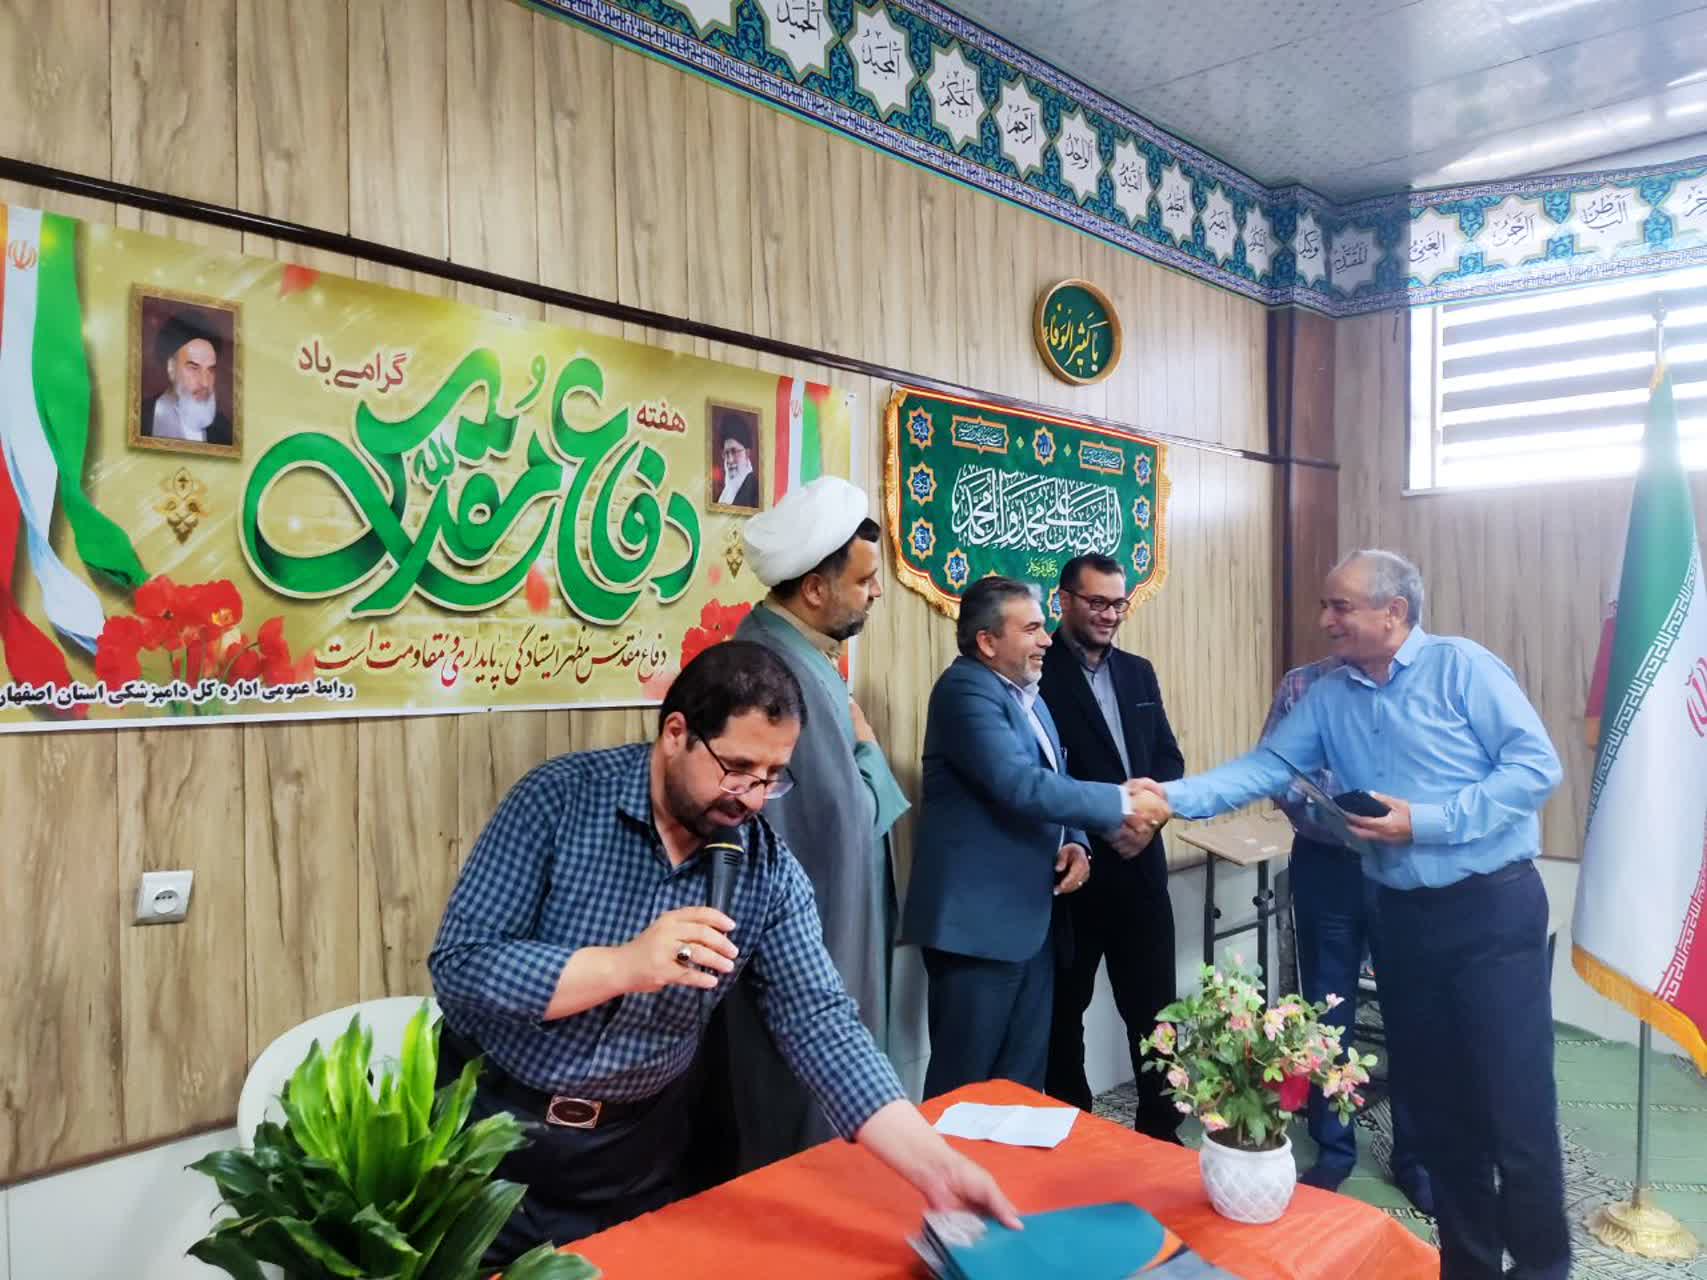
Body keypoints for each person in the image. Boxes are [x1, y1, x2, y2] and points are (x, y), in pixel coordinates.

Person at [429, 641, 1017, 1267]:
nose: (752, 798)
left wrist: (937, 1167)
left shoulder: (765, 870)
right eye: (736, 768)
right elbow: (461, 965)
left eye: (772, 776)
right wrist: (623, 966)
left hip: (630, 1163)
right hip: (491, 1144)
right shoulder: (559, 801)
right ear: (676, 734)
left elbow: (822, 1025)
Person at [1132, 550, 1568, 1280]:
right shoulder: (1329, 695)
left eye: (1340, 606)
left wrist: (1423, 822)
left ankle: (1542, 1270)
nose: (1325, 620)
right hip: (1400, 920)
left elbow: (1535, 768)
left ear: (1393, 613)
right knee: (1438, 1111)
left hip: (1489, 913)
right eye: (1325, 605)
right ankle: (1467, 1267)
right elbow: (1265, 768)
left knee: (1513, 1108)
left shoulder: (1462, 668)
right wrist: (1169, 797)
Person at [689, 477, 909, 1178]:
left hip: (831, 935)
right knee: (796, 1138)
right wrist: (868, 750)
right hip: (801, 963)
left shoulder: (799, 660)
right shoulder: (770, 676)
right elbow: (841, 820)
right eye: (864, 580)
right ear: (814, 589)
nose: (876, 593)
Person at [902, 575, 1157, 1098]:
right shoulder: (964, 692)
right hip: (977, 929)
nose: (1046, 640)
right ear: (987, 641)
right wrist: (1122, 801)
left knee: (1020, 1085)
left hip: (1032, 920)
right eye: (1033, 629)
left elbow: (1053, 778)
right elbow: (1019, 785)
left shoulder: (1028, 696)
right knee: (963, 1089)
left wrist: (1075, 842)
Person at [1261, 656, 1432, 1210]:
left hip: (1401, 866)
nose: (1336, 621)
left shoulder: (1422, 683)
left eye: (1349, 613)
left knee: (1411, 1013)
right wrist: (1334, 815)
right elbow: (1276, 771)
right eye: (1333, 614)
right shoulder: (1303, 685)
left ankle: (1416, 1158)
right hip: (1326, 866)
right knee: (1326, 1010)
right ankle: (1333, 1148)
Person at [1038, 553, 1186, 1143]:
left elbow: (1168, 760)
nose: (1109, 615)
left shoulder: (1138, 672)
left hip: (1142, 869)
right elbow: (1040, 777)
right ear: (1064, 601)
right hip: (1074, 874)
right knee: (1062, 1016)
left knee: (1156, 1016)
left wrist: (1149, 821)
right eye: (1096, 602)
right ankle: (1076, 1135)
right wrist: (1103, 826)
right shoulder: (1038, 672)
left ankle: (1161, 1135)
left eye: (1118, 603)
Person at [145, 316, 232, 446]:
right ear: (171, 368)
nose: (205, 383)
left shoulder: (224, 430)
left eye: (210, 370)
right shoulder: (142, 418)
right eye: (194, 368)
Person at [716, 429, 759, 508]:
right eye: (726, 453)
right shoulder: (723, 494)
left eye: (734, 452)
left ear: (747, 453)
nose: (730, 460)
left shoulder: (755, 488)